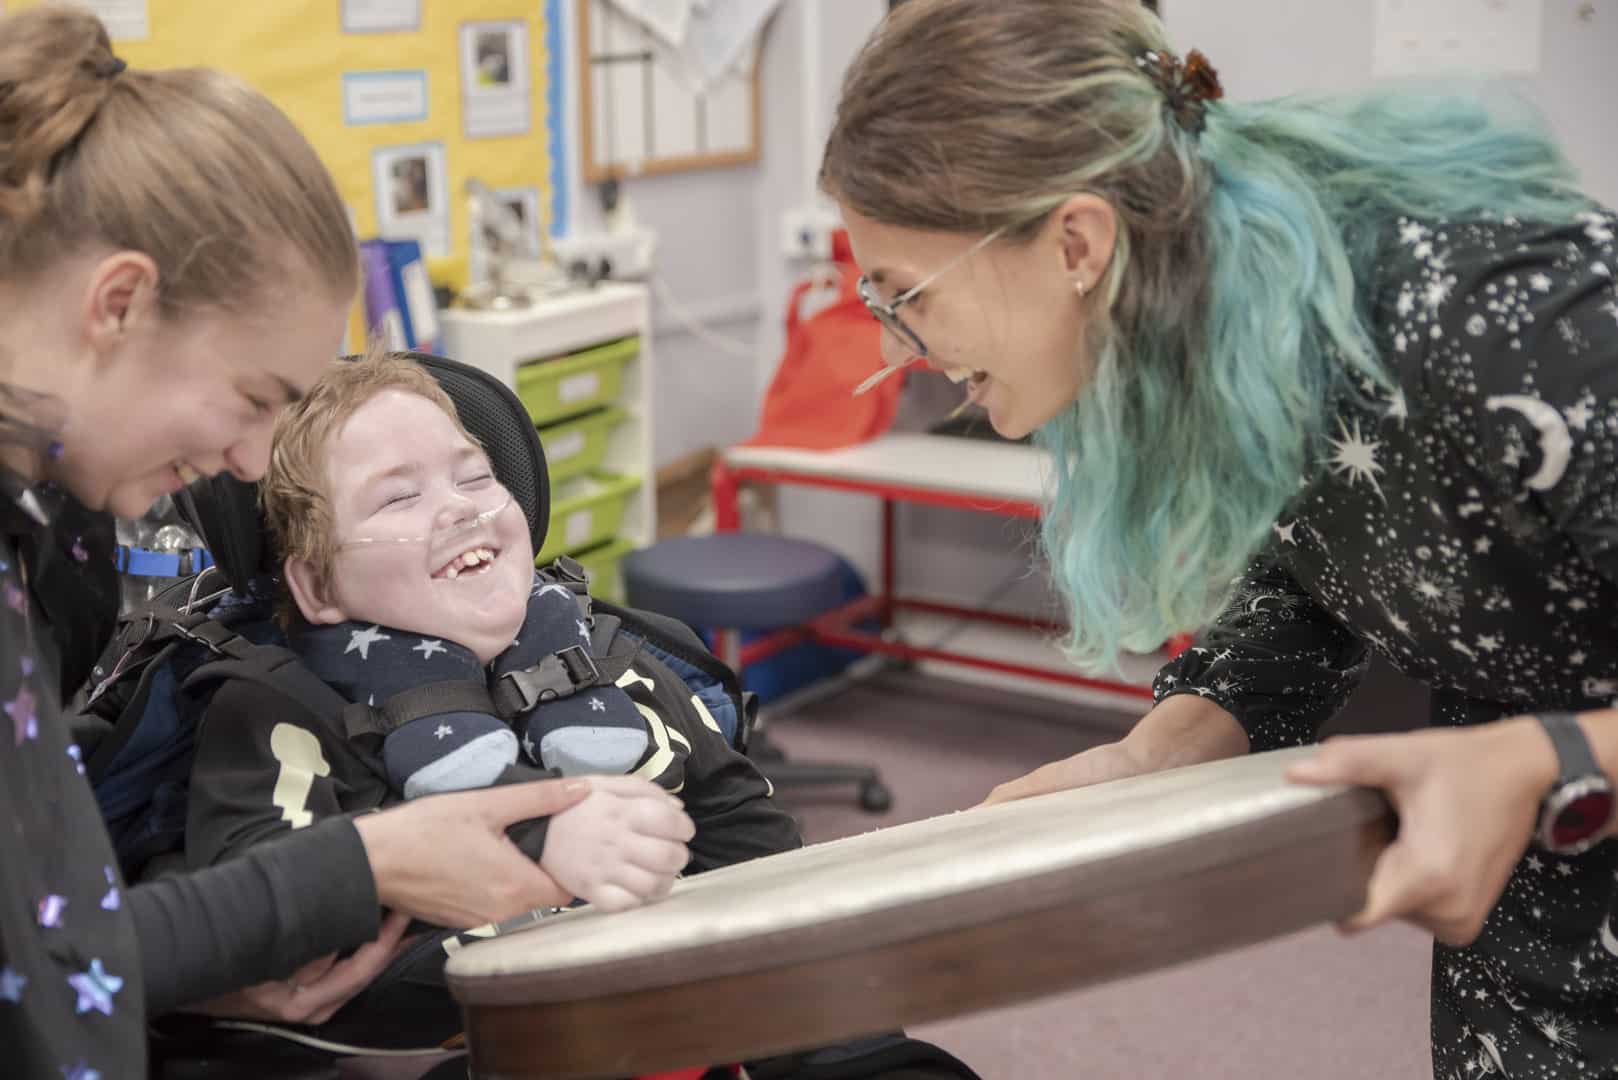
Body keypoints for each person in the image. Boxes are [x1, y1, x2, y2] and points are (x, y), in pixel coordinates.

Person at [821, 0, 1618, 1075]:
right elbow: (1318, 570)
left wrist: (1545, 756)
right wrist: (1157, 754)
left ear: (1075, 242)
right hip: (1543, 920)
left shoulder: (1505, 316)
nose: (893, 348)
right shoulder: (1248, 328)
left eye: (902, 295)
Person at [0, 10, 687, 1077]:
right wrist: (359, 867)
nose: (248, 462)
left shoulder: (57, 521)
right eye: (252, 398)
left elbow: (52, 917)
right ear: (119, 304)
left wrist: (188, 962)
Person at [186, 349, 795, 915]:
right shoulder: (273, 712)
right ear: (319, 586)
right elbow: (258, 924)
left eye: (475, 478)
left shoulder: (607, 655)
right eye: (399, 497)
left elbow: (757, 841)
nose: (460, 507)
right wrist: (537, 848)